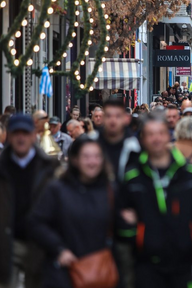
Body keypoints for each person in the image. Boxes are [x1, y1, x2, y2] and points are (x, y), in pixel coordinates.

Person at [119, 114, 192, 288]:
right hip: (145, 261)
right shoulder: (133, 177)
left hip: (182, 261)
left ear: (169, 136)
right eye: (151, 134)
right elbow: (121, 211)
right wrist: (135, 236)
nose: (156, 139)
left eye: (161, 133)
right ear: (143, 139)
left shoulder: (190, 175)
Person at [29, 136, 115, 288]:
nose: (92, 162)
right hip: (64, 273)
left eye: (96, 157)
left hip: (100, 270)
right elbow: (36, 223)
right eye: (86, 157)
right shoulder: (57, 189)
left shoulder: (110, 191)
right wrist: (58, 248)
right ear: (75, 160)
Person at [0, 114, 58, 288]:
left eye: (25, 133)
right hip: (7, 242)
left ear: (34, 135)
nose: (20, 138)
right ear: (9, 136)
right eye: (16, 133)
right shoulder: (2, 167)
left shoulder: (49, 168)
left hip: (38, 242)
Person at [97, 99, 140, 182]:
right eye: (108, 116)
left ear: (125, 118)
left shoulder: (134, 146)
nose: (113, 120)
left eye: (117, 116)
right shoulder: (93, 141)